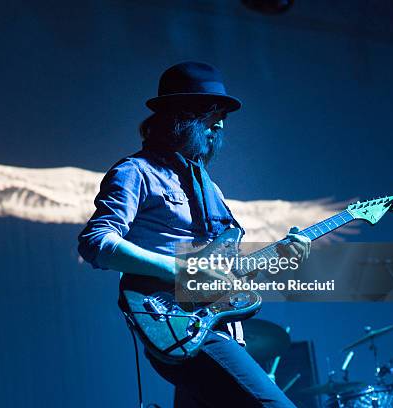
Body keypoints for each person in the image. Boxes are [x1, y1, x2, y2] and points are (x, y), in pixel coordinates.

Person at [77, 61, 310, 407]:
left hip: (214, 327)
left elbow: (221, 272)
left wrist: (280, 256)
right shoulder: (136, 172)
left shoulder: (210, 188)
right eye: (209, 113)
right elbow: (96, 243)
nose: (219, 123)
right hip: (178, 324)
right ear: (177, 116)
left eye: (221, 116)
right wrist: (178, 269)